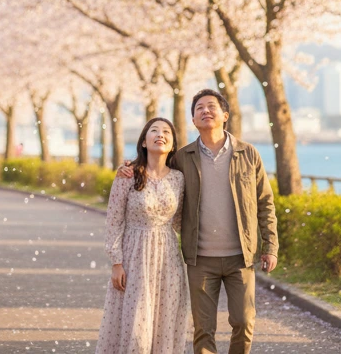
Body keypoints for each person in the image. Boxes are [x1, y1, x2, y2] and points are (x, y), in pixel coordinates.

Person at [118, 90, 277, 354]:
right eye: (199, 108)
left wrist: (270, 246)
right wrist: (129, 167)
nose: (206, 111)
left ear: (225, 115)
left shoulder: (248, 154)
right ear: (193, 120)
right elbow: (155, 169)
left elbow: (265, 203)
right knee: (203, 329)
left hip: (241, 256)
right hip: (200, 258)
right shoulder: (182, 157)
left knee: (243, 322)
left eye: (212, 106)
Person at [96, 117, 188, 354]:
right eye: (154, 131)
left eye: (167, 131)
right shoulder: (128, 175)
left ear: (172, 144)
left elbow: (180, 222)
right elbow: (114, 221)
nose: (161, 134)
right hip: (134, 257)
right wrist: (116, 262)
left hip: (168, 259)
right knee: (136, 327)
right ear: (144, 142)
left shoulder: (178, 178)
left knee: (163, 324)